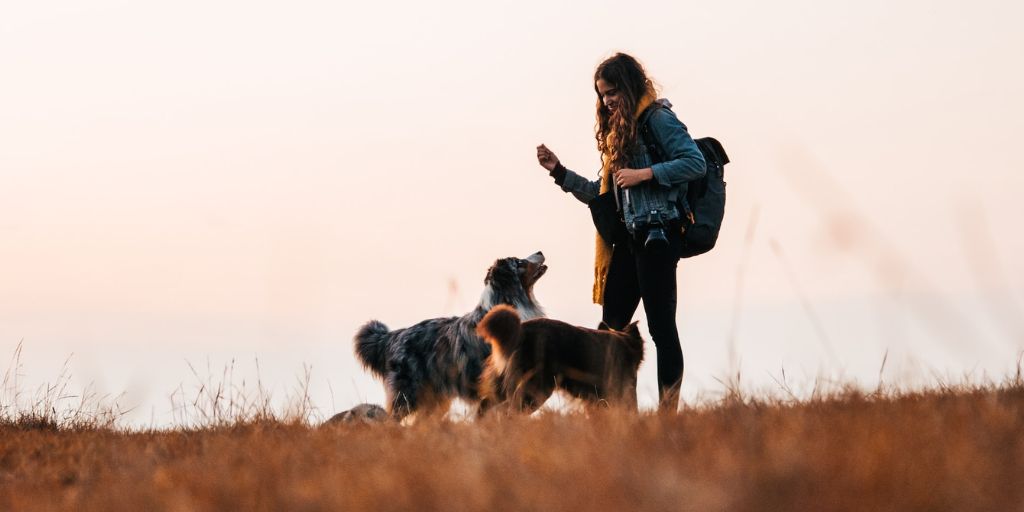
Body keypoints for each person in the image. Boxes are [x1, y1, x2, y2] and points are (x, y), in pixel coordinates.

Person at [536, 53, 706, 411]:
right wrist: (559, 172)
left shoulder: (658, 118)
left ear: (630, 86)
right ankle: (605, 417)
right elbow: (603, 197)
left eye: (612, 91)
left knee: (662, 332)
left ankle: (667, 418)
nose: (607, 100)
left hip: (660, 238)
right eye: (602, 94)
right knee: (607, 331)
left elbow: (695, 162)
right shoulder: (620, 134)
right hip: (630, 241)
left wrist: (646, 174)